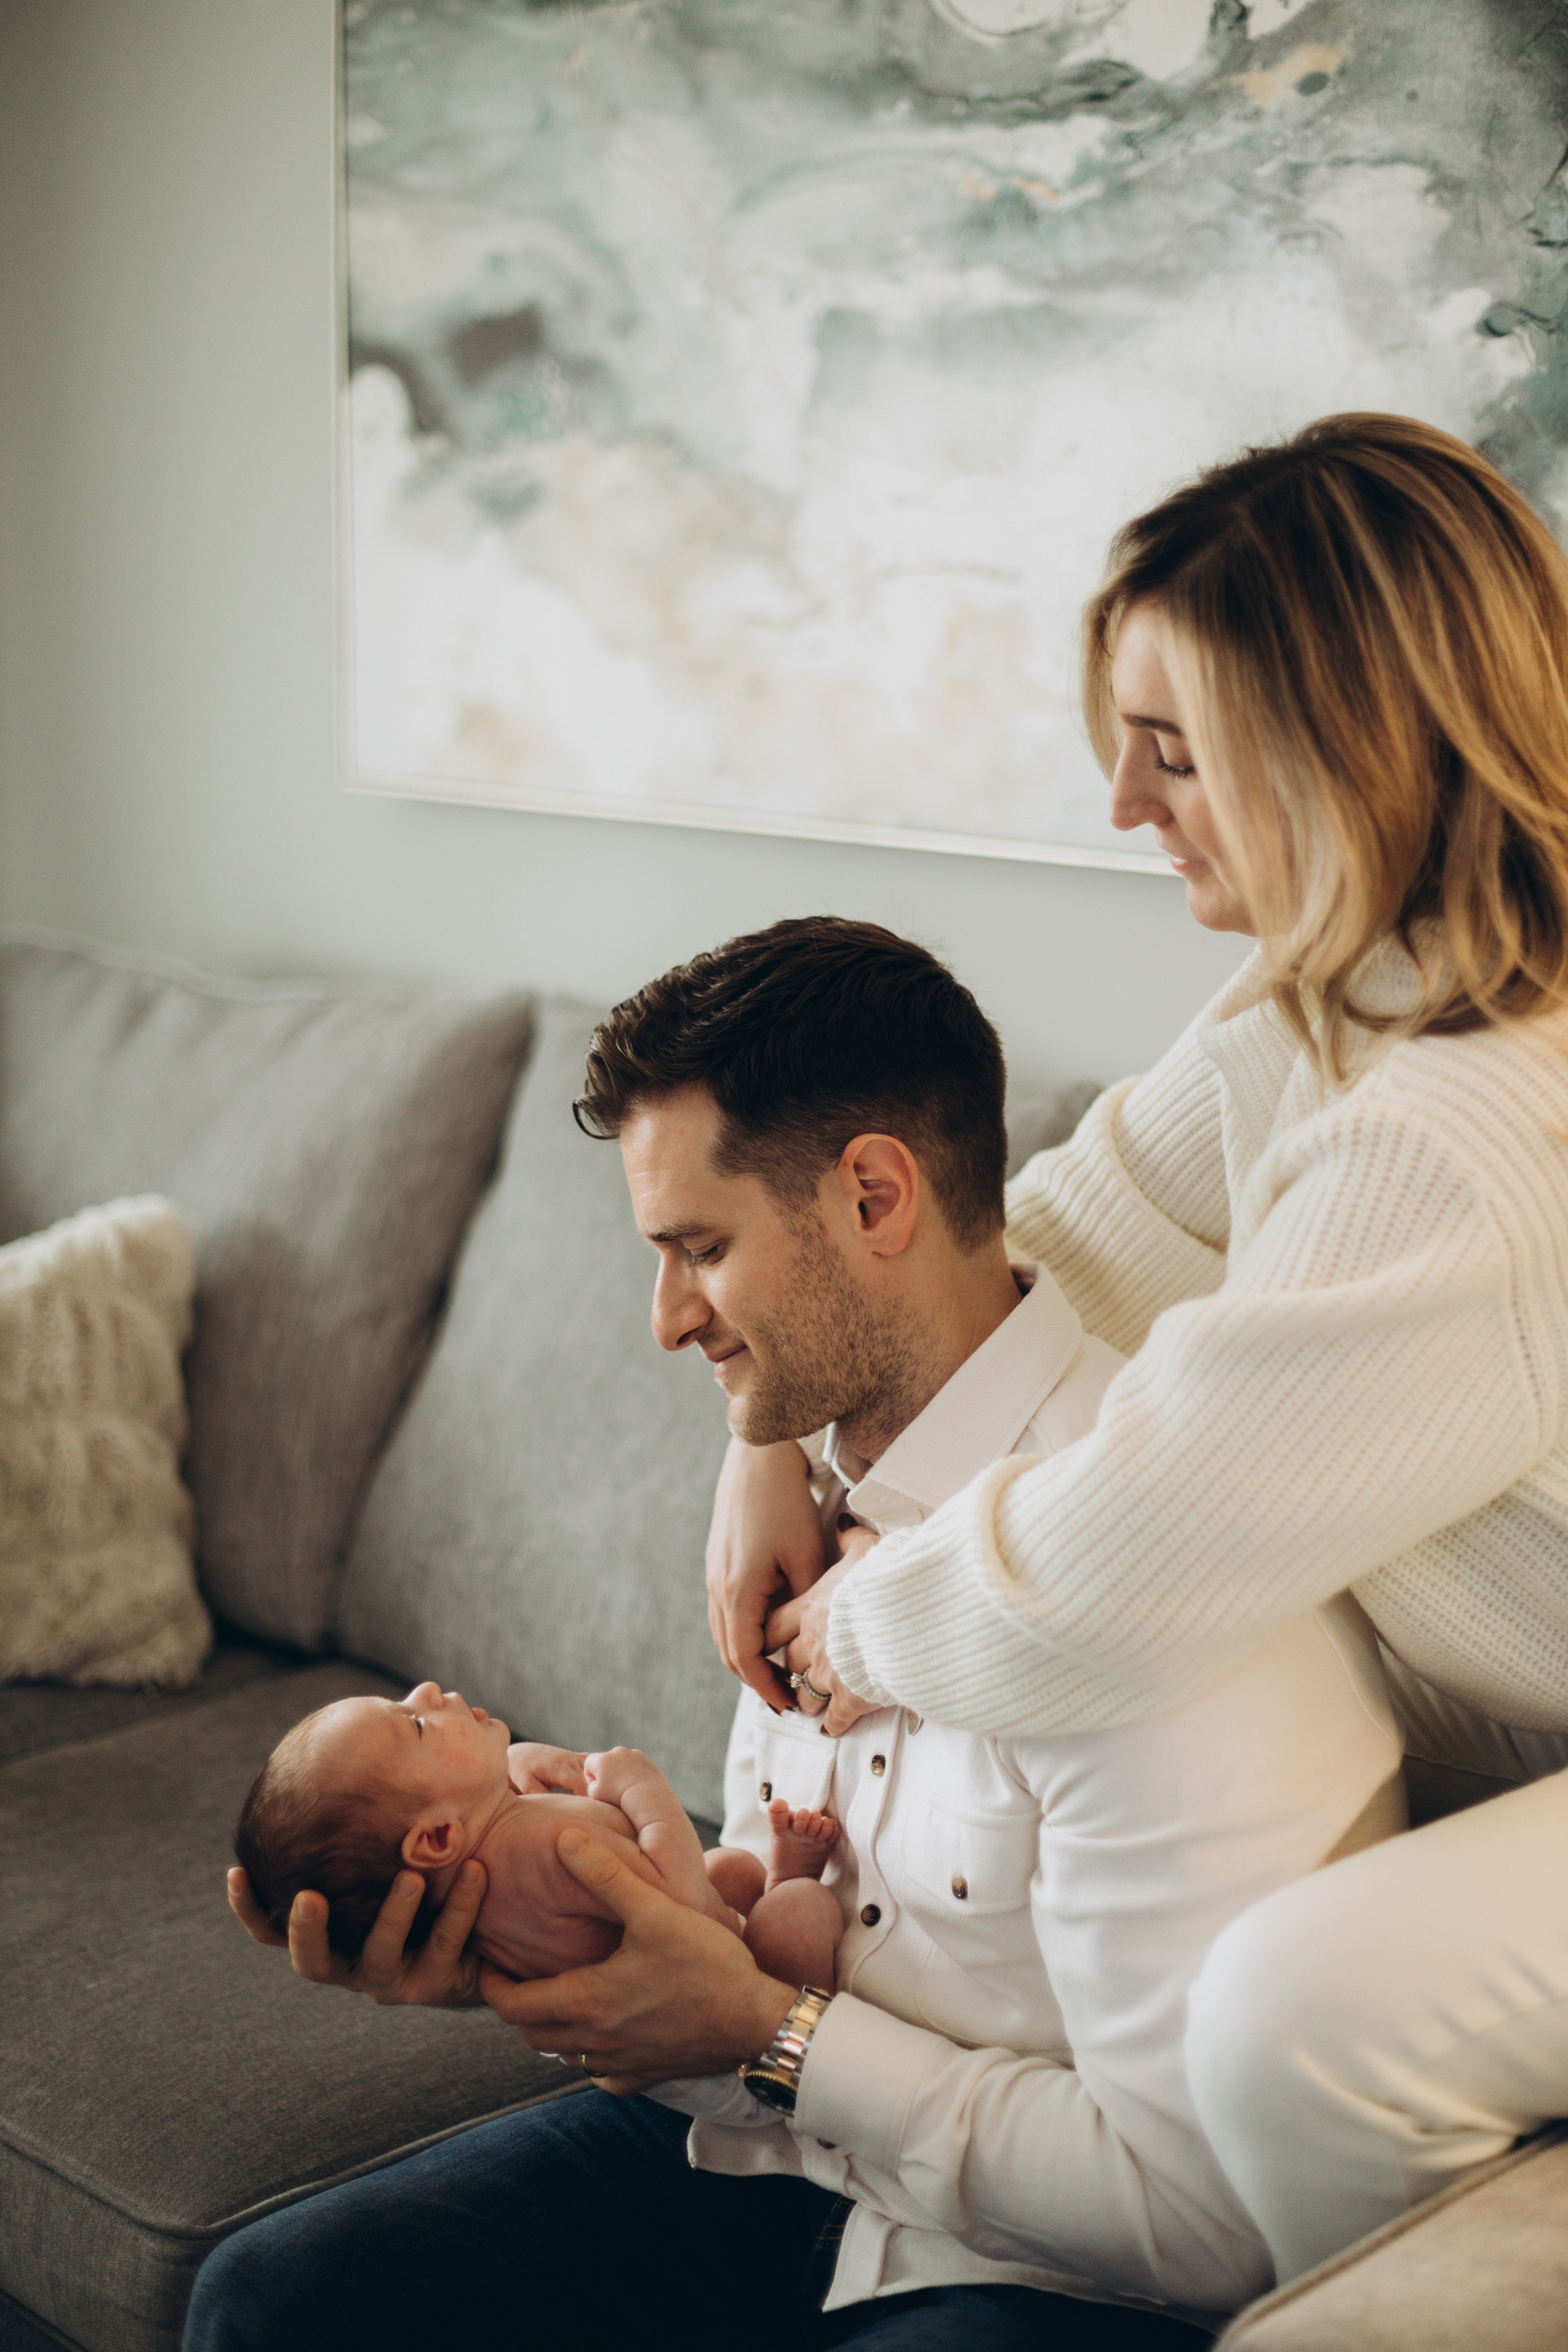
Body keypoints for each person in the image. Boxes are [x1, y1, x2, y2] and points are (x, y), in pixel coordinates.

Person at [200, 919, 1402, 2350]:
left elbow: (1205, 2218)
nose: (662, 1322)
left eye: (698, 1248)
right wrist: (558, 1961)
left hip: (1053, 2271)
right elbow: (738, 1961)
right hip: (769, 2152)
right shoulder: (786, 1508)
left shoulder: (1143, 1571)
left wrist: (768, 2035)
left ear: (874, 1196)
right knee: (280, 2300)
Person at [715, 415, 1568, 2285]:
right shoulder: (1322, 1009)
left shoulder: (1455, 1144)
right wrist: (774, 1443)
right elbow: (1069, 1225)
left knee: (1302, 2007)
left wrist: (835, 1628)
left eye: (1169, 750)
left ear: (1347, 752)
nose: (1119, 800)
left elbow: (1101, 1576)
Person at [234, 1686, 842, 1985]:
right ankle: (790, 1881)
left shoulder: (493, 1872)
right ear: (439, 1836)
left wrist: (517, 1762)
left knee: (731, 1870)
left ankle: (774, 1881)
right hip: (737, 1983)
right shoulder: (543, 1847)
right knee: (799, 1910)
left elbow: (507, 1795)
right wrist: (643, 1791)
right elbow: (682, 1910)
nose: (426, 1691)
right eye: (415, 1723)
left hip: (683, 1979)